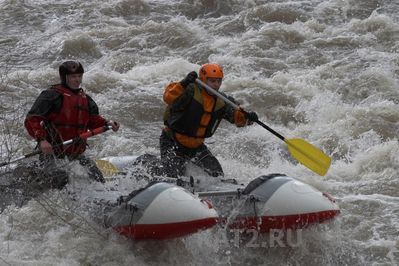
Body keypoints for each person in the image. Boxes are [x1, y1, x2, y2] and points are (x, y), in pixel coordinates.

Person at [24, 61, 119, 188]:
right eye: (73, 77)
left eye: (79, 76)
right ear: (65, 78)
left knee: (98, 178)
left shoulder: (86, 99)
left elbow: (92, 120)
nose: (77, 80)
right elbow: (32, 119)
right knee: (60, 178)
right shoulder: (51, 95)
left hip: (75, 153)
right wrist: (41, 140)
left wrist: (108, 123)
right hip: (52, 153)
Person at [160, 63, 258, 178]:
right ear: (203, 80)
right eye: (212, 81)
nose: (216, 85)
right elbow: (168, 97)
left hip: (196, 147)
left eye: (219, 81)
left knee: (218, 175)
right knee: (174, 176)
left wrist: (248, 118)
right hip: (173, 141)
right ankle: (152, 169)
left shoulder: (221, 101)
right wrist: (184, 83)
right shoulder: (190, 90)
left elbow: (238, 119)